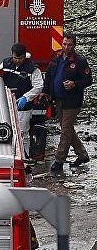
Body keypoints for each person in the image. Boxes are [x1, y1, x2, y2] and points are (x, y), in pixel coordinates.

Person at [45, 33, 92, 173]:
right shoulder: (57, 57)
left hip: (72, 102)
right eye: (64, 44)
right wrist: (46, 92)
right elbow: (49, 75)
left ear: (74, 45)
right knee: (68, 129)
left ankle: (59, 160)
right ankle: (82, 155)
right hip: (58, 99)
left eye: (69, 45)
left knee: (65, 131)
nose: (66, 47)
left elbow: (88, 80)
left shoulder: (80, 61)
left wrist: (74, 84)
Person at [0, 44, 43, 156]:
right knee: (5, 131)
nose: (17, 61)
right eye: (15, 58)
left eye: (20, 58)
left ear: (25, 56)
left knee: (22, 133)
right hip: (7, 104)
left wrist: (26, 97)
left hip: (23, 107)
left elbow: (38, 86)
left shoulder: (33, 69)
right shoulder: (5, 64)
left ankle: (24, 157)